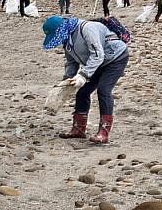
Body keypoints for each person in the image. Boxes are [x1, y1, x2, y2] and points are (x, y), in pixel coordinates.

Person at [42, 15, 129, 145]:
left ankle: (103, 133)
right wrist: (67, 81)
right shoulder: (67, 39)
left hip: (115, 59)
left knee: (103, 90)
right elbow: (71, 62)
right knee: (82, 92)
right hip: (97, 63)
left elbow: (98, 55)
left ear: (61, 29)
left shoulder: (87, 29)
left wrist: (83, 75)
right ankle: (78, 129)